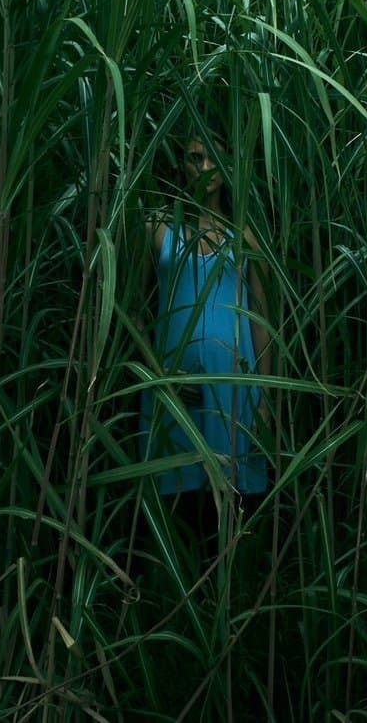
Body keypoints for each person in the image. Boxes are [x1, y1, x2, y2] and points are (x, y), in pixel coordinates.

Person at [140, 133, 273, 549]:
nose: (206, 168)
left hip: (235, 395)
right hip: (173, 390)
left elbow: (262, 323)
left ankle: (234, 604)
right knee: (175, 508)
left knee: (235, 513)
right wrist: (158, 375)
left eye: (216, 157)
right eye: (195, 156)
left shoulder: (245, 238)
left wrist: (266, 403)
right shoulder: (158, 229)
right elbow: (132, 313)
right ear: (181, 162)